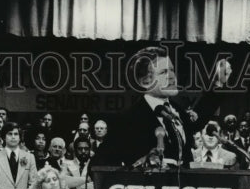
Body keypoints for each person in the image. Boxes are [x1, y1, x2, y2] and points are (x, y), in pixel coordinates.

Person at [93, 45, 232, 168]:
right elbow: (98, 165)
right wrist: (138, 167)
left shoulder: (177, 112)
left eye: (172, 70)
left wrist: (218, 82)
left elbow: (198, 119)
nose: (172, 76)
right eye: (164, 72)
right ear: (145, 82)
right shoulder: (128, 120)